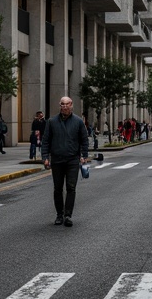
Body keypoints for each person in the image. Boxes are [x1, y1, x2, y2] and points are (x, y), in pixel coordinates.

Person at [41, 96, 90, 227]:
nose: (65, 106)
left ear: (71, 105)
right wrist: (45, 157)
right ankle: (59, 215)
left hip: (72, 160)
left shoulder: (78, 122)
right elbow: (46, 141)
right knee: (57, 188)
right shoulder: (51, 122)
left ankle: (68, 215)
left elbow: (84, 140)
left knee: (71, 187)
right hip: (57, 160)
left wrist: (84, 155)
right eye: (62, 104)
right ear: (60, 105)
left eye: (67, 104)